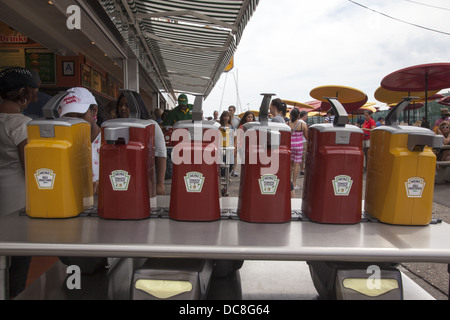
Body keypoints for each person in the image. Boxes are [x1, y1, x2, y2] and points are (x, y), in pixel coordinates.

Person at [0, 67, 38, 298]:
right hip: (18, 201)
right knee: (18, 263)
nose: (34, 98)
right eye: (33, 92)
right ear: (23, 93)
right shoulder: (22, 125)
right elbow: (31, 168)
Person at [59, 87, 101, 195]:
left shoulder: (109, 141)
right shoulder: (62, 144)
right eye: (69, 116)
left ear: (94, 110)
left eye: (80, 116)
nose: (76, 121)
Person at [288, 108, 307, 190]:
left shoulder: (287, 123)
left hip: (290, 146)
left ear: (291, 115)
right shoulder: (302, 125)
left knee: (290, 165)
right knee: (296, 165)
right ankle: (294, 183)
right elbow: (307, 137)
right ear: (299, 115)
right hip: (299, 146)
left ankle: (288, 182)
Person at [219, 111, 237, 195]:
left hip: (230, 147)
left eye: (227, 116)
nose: (226, 118)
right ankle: (222, 179)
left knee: (230, 165)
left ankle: (227, 177)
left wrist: (235, 147)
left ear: (229, 117)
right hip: (221, 148)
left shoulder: (232, 126)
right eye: (224, 116)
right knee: (222, 164)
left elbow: (235, 137)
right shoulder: (219, 126)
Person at [299, 110, 309, 174]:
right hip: (303, 141)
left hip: (297, 141)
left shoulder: (297, 122)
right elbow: (306, 135)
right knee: (303, 156)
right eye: (307, 116)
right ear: (304, 116)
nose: (307, 117)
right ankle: (302, 169)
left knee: (299, 156)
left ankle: (301, 168)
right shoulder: (303, 123)